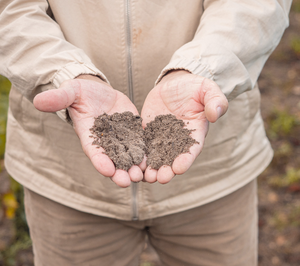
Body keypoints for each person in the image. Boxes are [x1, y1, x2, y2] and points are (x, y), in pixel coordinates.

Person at [0, 0, 291, 265]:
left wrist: (200, 69)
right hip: (66, 179)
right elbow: (11, 11)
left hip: (213, 172)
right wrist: (65, 74)